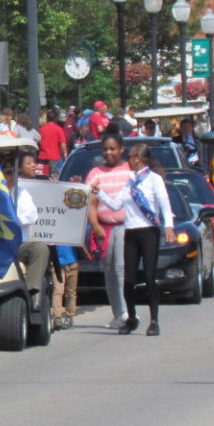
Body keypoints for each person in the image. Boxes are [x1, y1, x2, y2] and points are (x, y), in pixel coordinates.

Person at [92, 143, 176, 336]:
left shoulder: (154, 180)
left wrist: (169, 225)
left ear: (140, 158)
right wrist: (100, 193)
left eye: (131, 156)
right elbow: (115, 205)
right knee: (128, 280)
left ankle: (154, 320)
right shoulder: (129, 182)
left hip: (148, 231)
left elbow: (164, 204)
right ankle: (131, 318)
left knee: (148, 277)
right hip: (130, 231)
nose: (128, 160)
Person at [85, 130, 134, 329]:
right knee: (109, 270)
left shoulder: (130, 171)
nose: (108, 152)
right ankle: (117, 312)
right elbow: (90, 202)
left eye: (112, 149)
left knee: (121, 267)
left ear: (121, 149)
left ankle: (126, 311)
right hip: (104, 228)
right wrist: (95, 224)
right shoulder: (95, 174)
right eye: (105, 149)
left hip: (125, 226)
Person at [6, 153, 50, 308]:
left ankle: (33, 291)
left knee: (40, 248)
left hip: (17, 244)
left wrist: (11, 222)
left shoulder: (22, 193)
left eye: (13, 172)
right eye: (7, 173)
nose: (11, 176)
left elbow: (31, 216)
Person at [50, 243, 79, 330]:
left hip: (73, 261)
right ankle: (57, 317)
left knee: (70, 292)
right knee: (58, 291)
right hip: (56, 263)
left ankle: (69, 317)